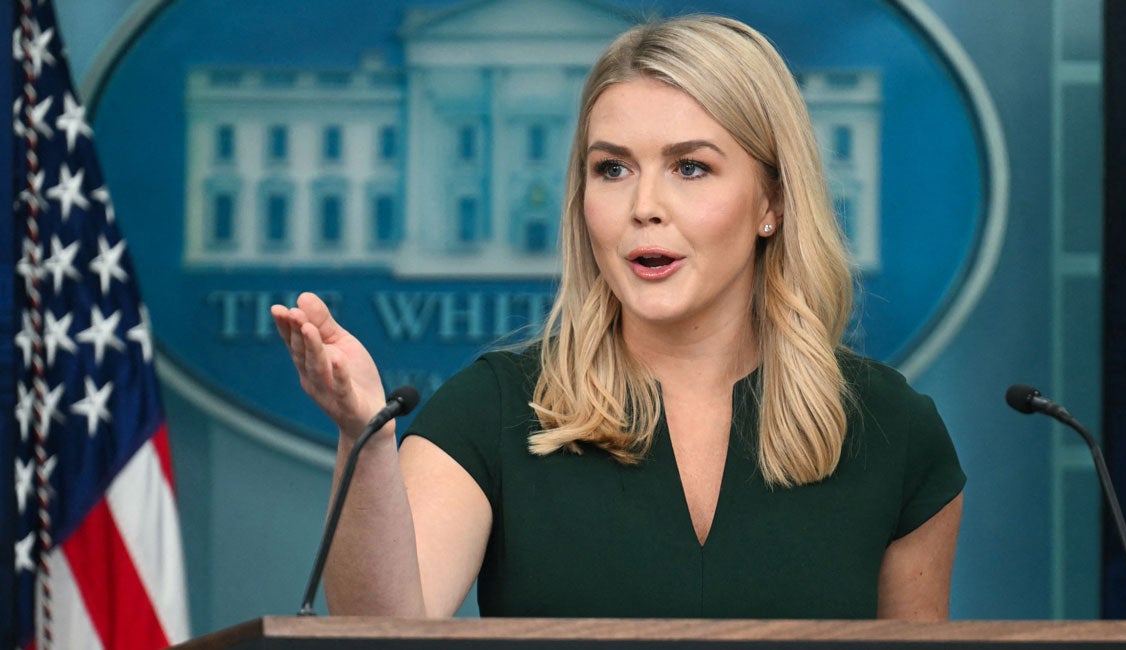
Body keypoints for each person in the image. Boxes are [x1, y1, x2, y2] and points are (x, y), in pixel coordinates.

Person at [271, 14, 964, 620]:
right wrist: (362, 439)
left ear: (771, 202)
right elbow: (382, 629)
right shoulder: (494, 409)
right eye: (612, 169)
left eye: (690, 168)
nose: (643, 207)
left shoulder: (895, 431)